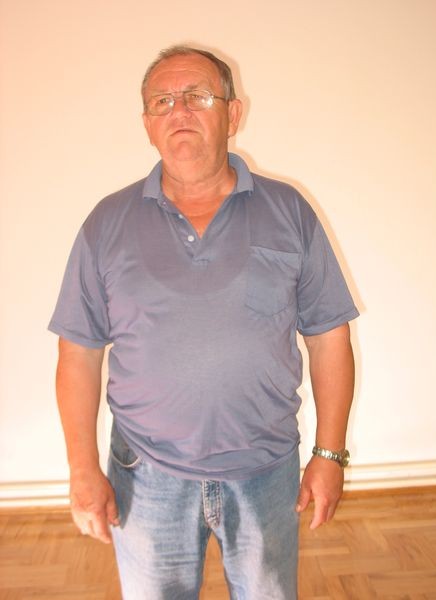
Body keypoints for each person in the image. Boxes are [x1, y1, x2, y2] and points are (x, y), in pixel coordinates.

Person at [49, 45, 359, 600]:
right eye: (163, 101)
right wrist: (82, 470)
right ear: (147, 123)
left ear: (233, 114)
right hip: (145, 473)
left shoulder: (289, 211)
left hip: (266, 468)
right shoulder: (106, 223)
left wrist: (329, 453)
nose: (180, 111)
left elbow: (329, 336)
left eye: (197, 96)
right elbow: (79, 354)